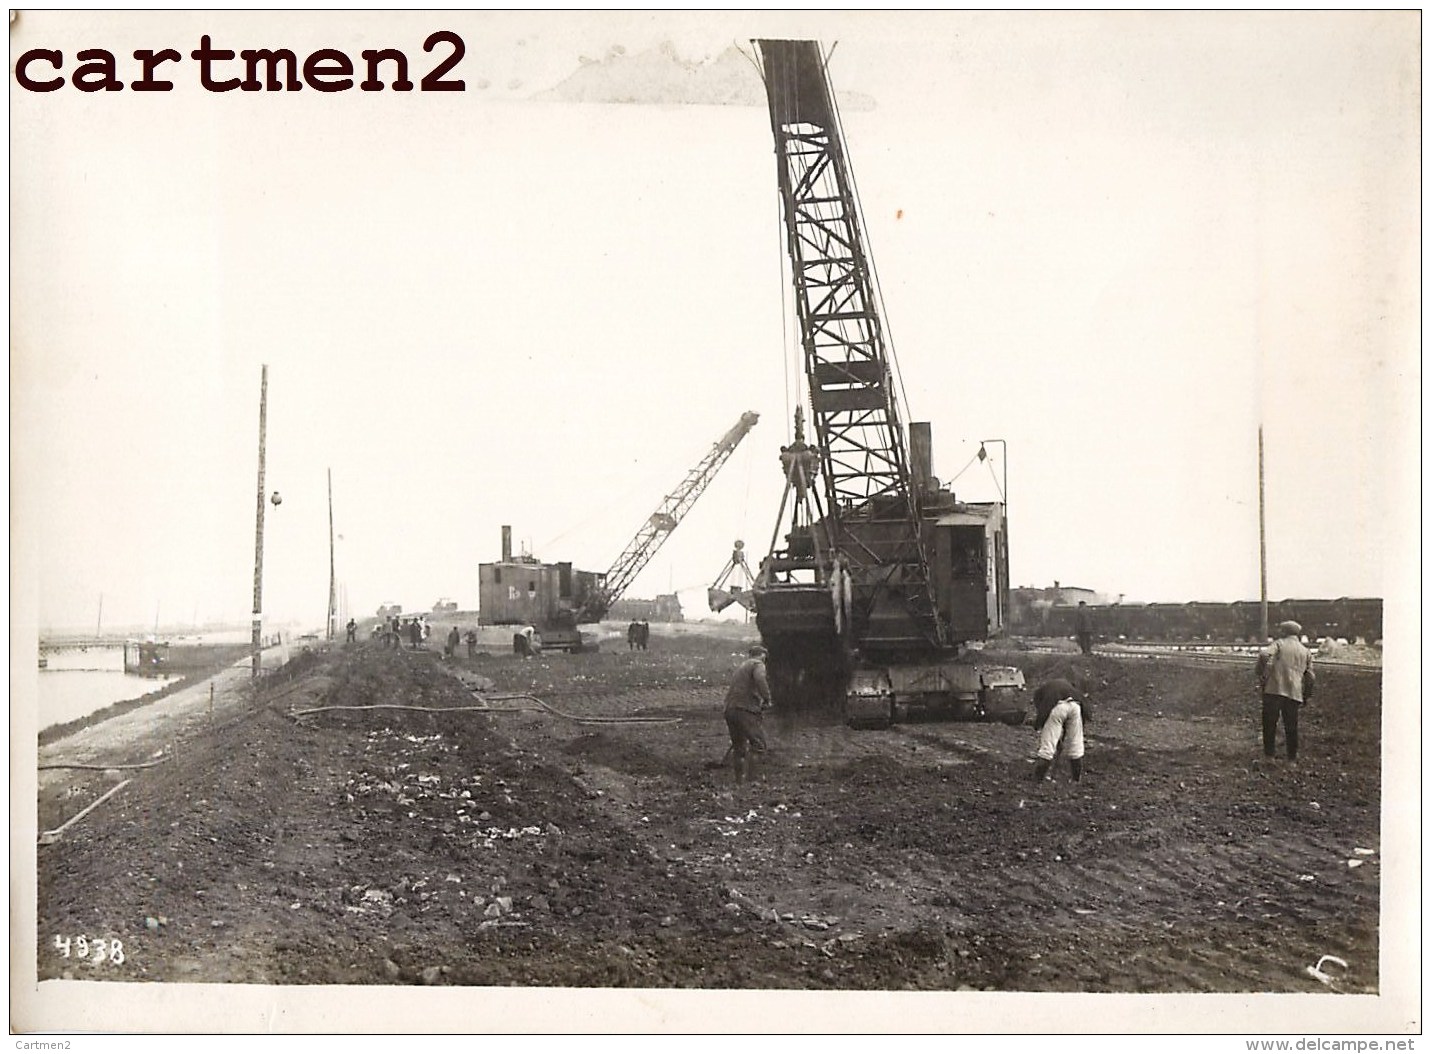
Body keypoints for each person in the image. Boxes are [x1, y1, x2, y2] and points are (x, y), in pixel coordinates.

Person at [1256, 620, 1314, 764]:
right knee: (1291, 726)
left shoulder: (1279, 644)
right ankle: (1291, 760)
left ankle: (1269, 757)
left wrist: (1261, 673)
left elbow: (1264, 655)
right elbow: (1311, 676)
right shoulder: (1305, 651)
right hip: (1294, 693)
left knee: (1269, 724)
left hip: (1274, 690)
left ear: (1283, 632)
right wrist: (1306, 695)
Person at [724, 643, 772, 784]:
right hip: (745, 710)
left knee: (739, 747)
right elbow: (760, 679)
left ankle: (739, 781)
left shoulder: (742, 667)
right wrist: (767, 698)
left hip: (729, 709)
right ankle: (752, 781)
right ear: (761, 656)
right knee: (758, 745)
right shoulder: (757, 664)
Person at [1031, 676, 1092, 782]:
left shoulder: (1041, 694)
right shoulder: (1069, 687)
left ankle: (1037, 779)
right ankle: (1076, 779)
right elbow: (1084, 706)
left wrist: (1038, 724)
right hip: (1075, 707)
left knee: (1048, 746)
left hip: (1058, 707)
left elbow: (1043, 710)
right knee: (1076, 745)